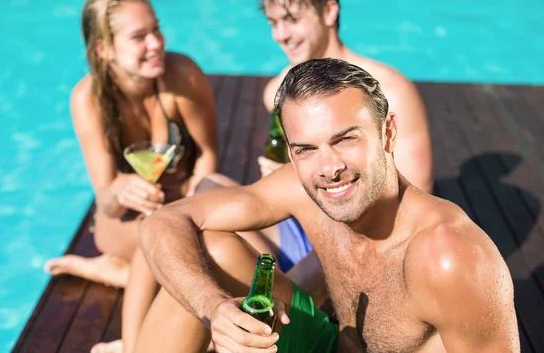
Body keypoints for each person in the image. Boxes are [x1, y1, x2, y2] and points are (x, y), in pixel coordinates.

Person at [135, 58, 519, 352]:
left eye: (346, 139)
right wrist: (213, 307)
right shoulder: (301, 189)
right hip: (330, 343)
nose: (329, 168)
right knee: (209, 253)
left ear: (388, 133)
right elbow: (164, 221)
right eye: (306, 149)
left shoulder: (448, 256)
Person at [40, 0, 228, 353]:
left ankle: (117, 274)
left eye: (156, 28)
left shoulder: (182, 76)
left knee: (195, 235)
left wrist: (190, 198)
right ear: (104, 49)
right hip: (123, 222)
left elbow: (208, 156)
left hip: (185, 201)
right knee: (159, 238)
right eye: (139, 36)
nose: (156, 42)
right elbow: (106, 200)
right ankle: (134, 346)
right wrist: (120, 189)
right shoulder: (88, 100)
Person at [254, 0, 434, 279]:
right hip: (303, 225)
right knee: (205, 200)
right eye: (272, 22)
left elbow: (417, 195)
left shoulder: (390, 89)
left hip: (372, 239)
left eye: (291, 19)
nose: (280, 34)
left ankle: (289, 301)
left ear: (329, 12)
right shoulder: (277, 93)